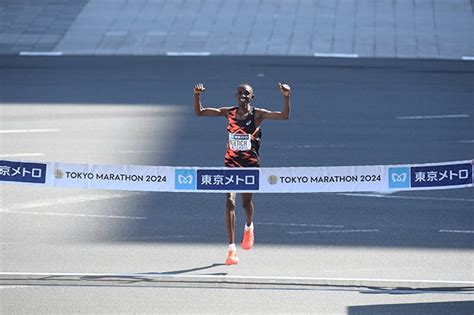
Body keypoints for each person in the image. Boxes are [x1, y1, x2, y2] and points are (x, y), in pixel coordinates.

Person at [193, 82, 291, 265]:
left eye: (246, 93)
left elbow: (284, 116)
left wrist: (286, 96)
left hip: (249, 166)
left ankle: (249, 226)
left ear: (251, 97)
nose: (242, 96)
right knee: (230, 201)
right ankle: (231, 249)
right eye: (239, 93)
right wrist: (197, 95)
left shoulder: (257, 114)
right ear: (235, 96)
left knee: (246, 203)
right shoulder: (228, 112)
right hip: (231, 165)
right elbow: (200, 112)